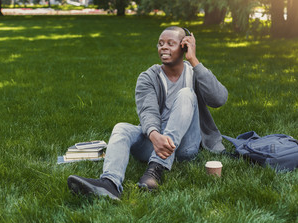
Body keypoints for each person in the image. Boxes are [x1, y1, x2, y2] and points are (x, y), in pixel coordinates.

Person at [67, 26, 228, 200]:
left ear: (184, 46)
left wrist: (194, 60)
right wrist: (154, 135)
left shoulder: (194, 73)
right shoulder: (148, 77)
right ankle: (110, 184)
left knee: (186, 94)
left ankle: (155, 170)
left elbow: (219, 99)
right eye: (160, 44)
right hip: (155, 142)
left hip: (185, 145)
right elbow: (148, 112)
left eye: (170, 43)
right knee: (122, 128)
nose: (163, 47)